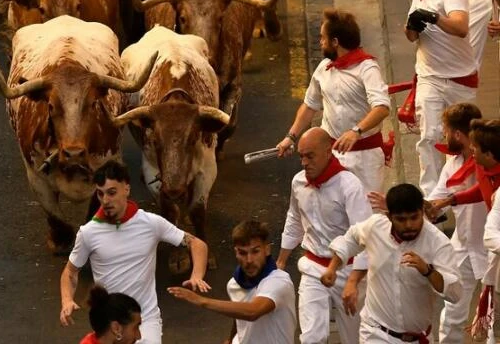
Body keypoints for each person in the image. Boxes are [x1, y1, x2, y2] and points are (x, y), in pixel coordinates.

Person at [60, 160, 210, 344]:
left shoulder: (151, 223)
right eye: (100, 194)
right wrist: (67, 301)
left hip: (145, 320)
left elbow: (196, 244)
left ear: (127, 189)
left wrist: (197, 275)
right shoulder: (88, 232)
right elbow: (70, 272)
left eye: (111, 192)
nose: (105, 200)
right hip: (111, 323)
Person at [322, 183, 461, 343]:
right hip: (375, 333)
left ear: (422, 212)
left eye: (414, 217)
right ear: (389, 217)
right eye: (401, 219)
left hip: (417, 338)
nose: (409, 225)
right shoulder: (375, 226)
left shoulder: (438, 243)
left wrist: (427, 271)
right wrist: (332, 268)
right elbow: (350, 240)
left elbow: (455, 294)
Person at [276, 9, 390, 193]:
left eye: (323, 38)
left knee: (367, 213)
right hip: (331, 155)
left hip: (365, 159)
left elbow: (382, 108)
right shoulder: (323, 68)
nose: (320, 42)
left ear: (335, 42)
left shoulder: (367, 69)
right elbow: (309, 105)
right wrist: (290, 137)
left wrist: (356, 132)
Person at [277, 127, 371, 344]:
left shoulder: (349, 185)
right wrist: (281, 262)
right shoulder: (298, 182)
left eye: (310, 156)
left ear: (329, 152)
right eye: (301, 156)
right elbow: (293, 220)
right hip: (312, 268)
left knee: (354, 339)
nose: (304, 163)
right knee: (311, 338)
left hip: (348, 269)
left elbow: (364, 237)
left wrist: (354, 282)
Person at [405, 0, 477, 196]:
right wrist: (412, 26)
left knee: (464, 140)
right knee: (430, 137)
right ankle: (431, 200)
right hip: (430, 77)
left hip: (460, 79)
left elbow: (461, 27)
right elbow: (411, 36)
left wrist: (435, 18)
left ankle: (464, 191)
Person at [422, 103, 495, 344]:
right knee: (452, 314)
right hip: (463, 248)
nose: (443, 134)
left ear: (456, 134)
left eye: (445, 129)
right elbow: (437, 198)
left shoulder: (490, 163)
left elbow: (476, 191)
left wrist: (442, 203)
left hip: (494, 251)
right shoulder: (452, 163)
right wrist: (417, 206)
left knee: (492, 319)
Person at [167, 220, 295, 344]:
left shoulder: (279, 282)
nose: (249, 260)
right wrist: (231, 338)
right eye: (243, 253)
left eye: (255, 251)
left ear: (267, 250)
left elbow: (252, 311)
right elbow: (240, 313)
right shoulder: (234, 284)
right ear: (236, 253)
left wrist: (201, 301)